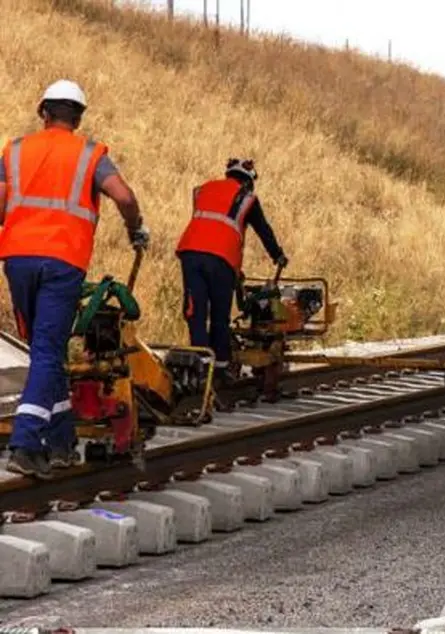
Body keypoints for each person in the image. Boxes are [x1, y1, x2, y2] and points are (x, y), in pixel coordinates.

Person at [0, 79, 149, 479]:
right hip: (63, 260)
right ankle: (27, 443)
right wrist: (136, 229)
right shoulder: (90, 155)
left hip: (16, 258)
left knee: (44, 351)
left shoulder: (13, 151)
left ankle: (62, 441)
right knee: (48, 352)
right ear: (78, 117)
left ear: (42, 112)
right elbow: (125, 197)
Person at [175, 158, 288, 402]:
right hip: (222, 259)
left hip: (190, 253)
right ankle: (222, 369)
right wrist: (277, 255)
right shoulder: (247, 198)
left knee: (195, 312)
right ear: (248, 181)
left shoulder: (203, 189)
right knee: (219, 316)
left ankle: (201, 367)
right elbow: (262, 229)